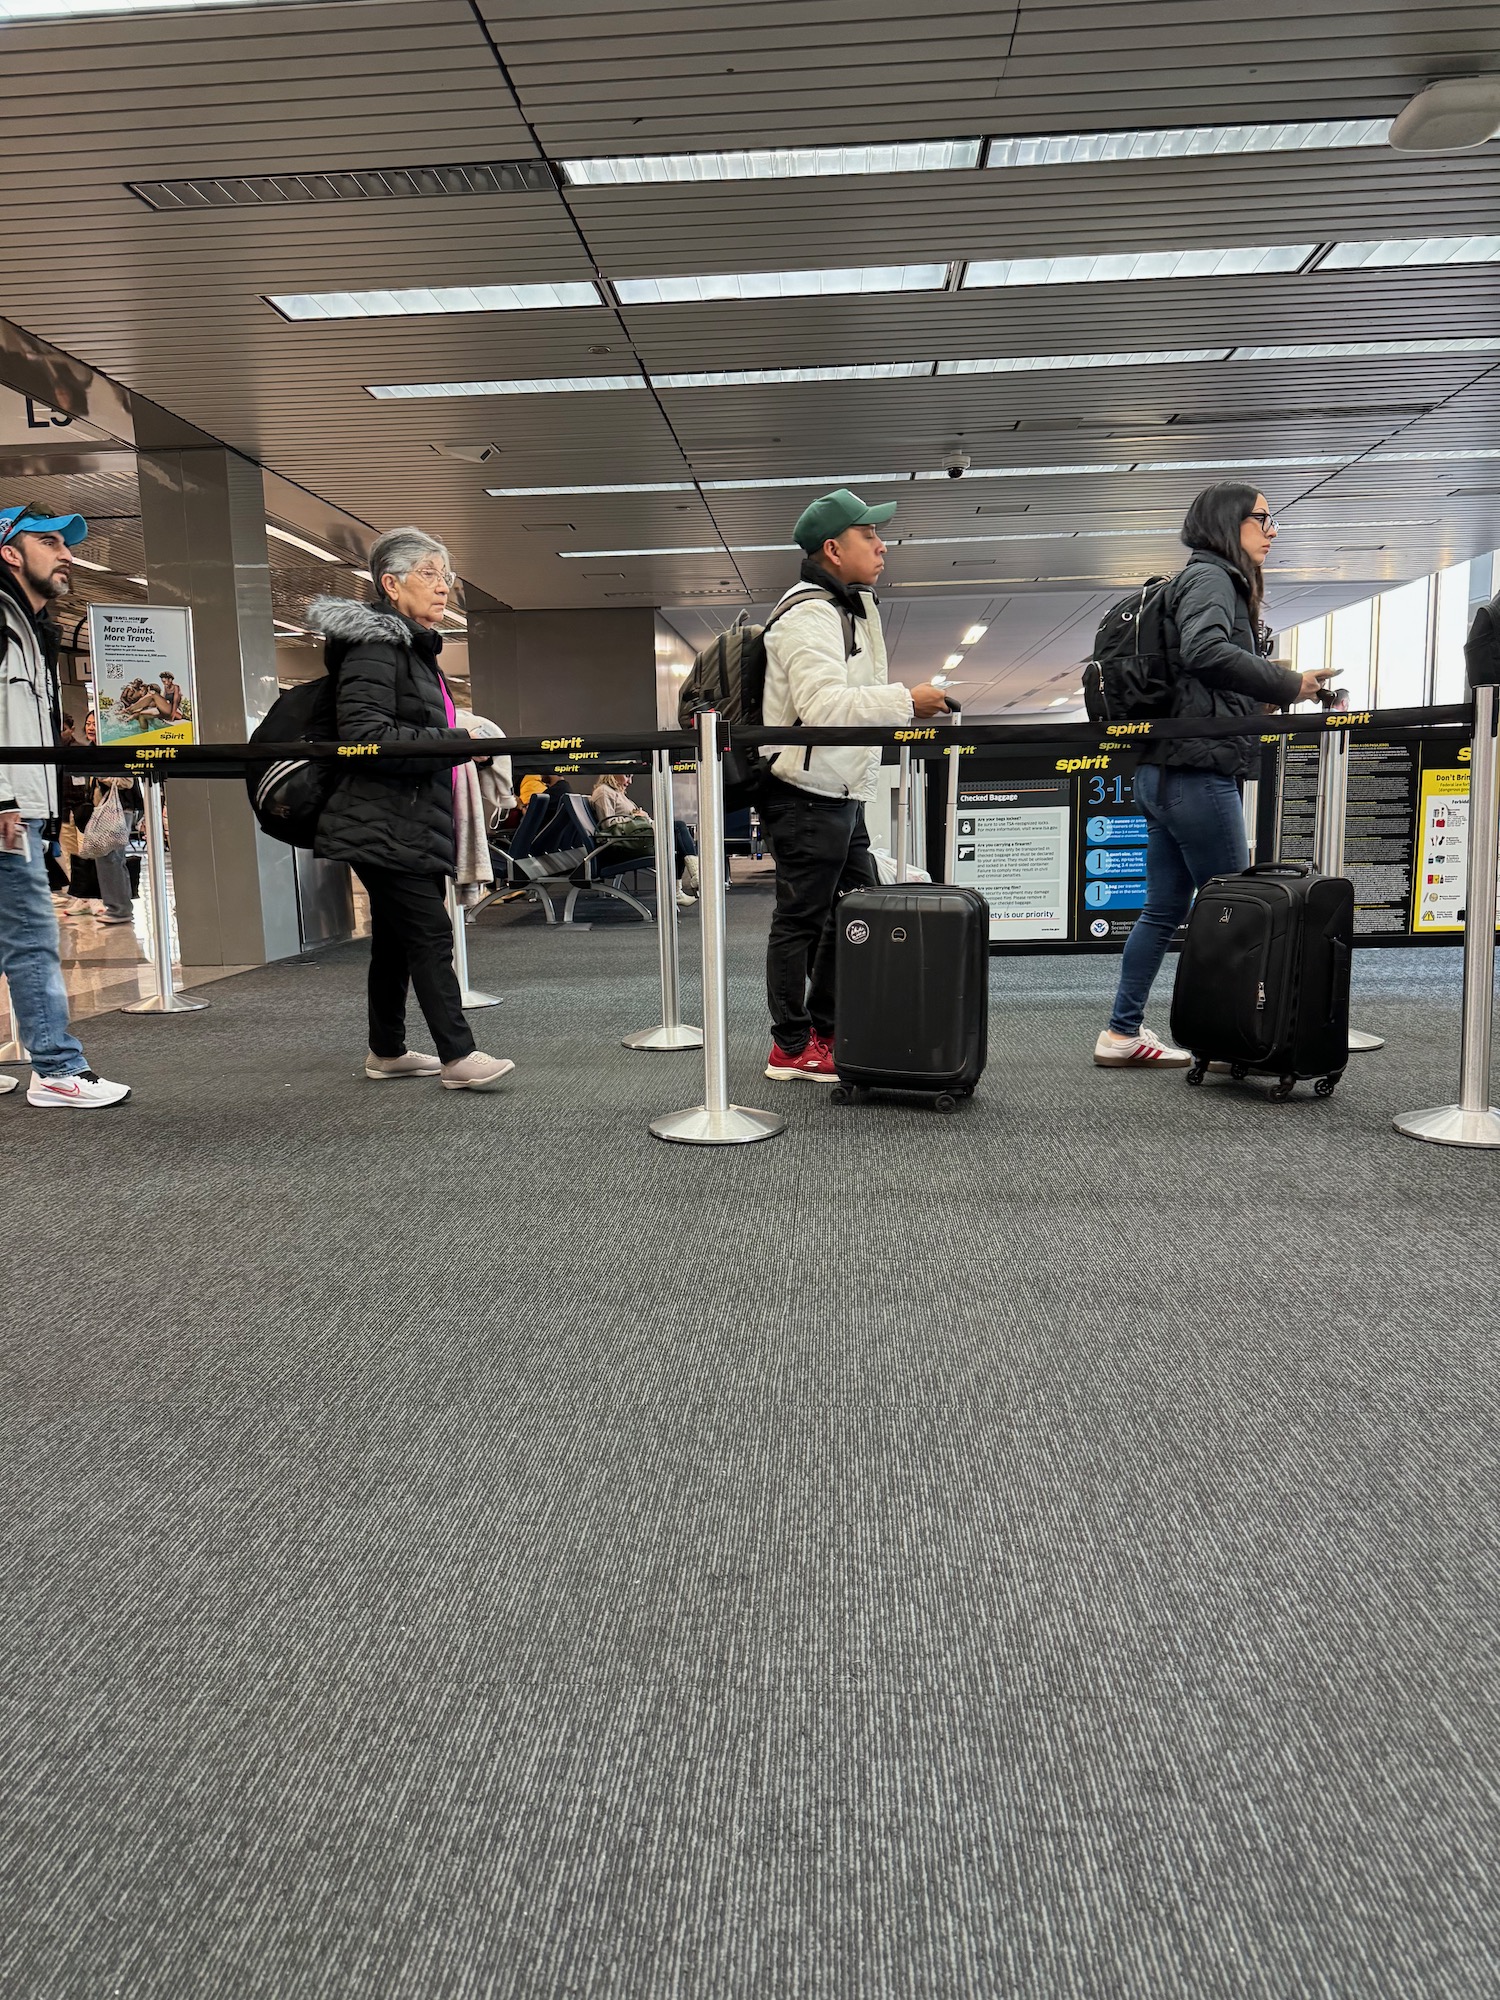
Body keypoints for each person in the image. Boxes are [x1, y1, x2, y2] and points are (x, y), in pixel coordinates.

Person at [1096, 483, 1336, 1067]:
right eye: (1263, 518)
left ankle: (1121, 1033)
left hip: (1164, 769)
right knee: (1241, 907)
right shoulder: (1213, 578)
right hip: (1195, 771)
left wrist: (1261, 696)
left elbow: (1196, 674)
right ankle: (1238, 1036)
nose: (1272, 530)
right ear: (1229, 522)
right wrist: (1286, 682)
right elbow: (1205, 652)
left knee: (1164, 910)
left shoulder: (1193, 580)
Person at [307, 527, 515, 1091]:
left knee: (398, 939)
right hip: (381, 817)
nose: (443, 586)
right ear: (390, 585)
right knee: (429, 933)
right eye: (429, 573)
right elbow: (365, 734)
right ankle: (458, 1056)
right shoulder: (377, 644)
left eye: (445, 574)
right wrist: (455, 739)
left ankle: (387, 1050)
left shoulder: (414, 649)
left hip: (405, 814)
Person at [758, 487, 948, 1081]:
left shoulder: (849, 606)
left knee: (852, 912)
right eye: (870, 534)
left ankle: (828, 1028)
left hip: (840, 790)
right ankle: (790, 1047)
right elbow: (821, 705)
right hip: (805, 792)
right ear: (834, 549)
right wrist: (905, 701)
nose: (882, 543)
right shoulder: (811, 612)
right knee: (802, 921)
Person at [0, 502, 130, 1106]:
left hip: (24, 805)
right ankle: (54, 1066)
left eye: (66, 543)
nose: (66, 553)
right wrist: (3, 799)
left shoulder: (31, 627)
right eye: (49, 542)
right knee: (29, 935)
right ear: (10, 552)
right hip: (5, 808)